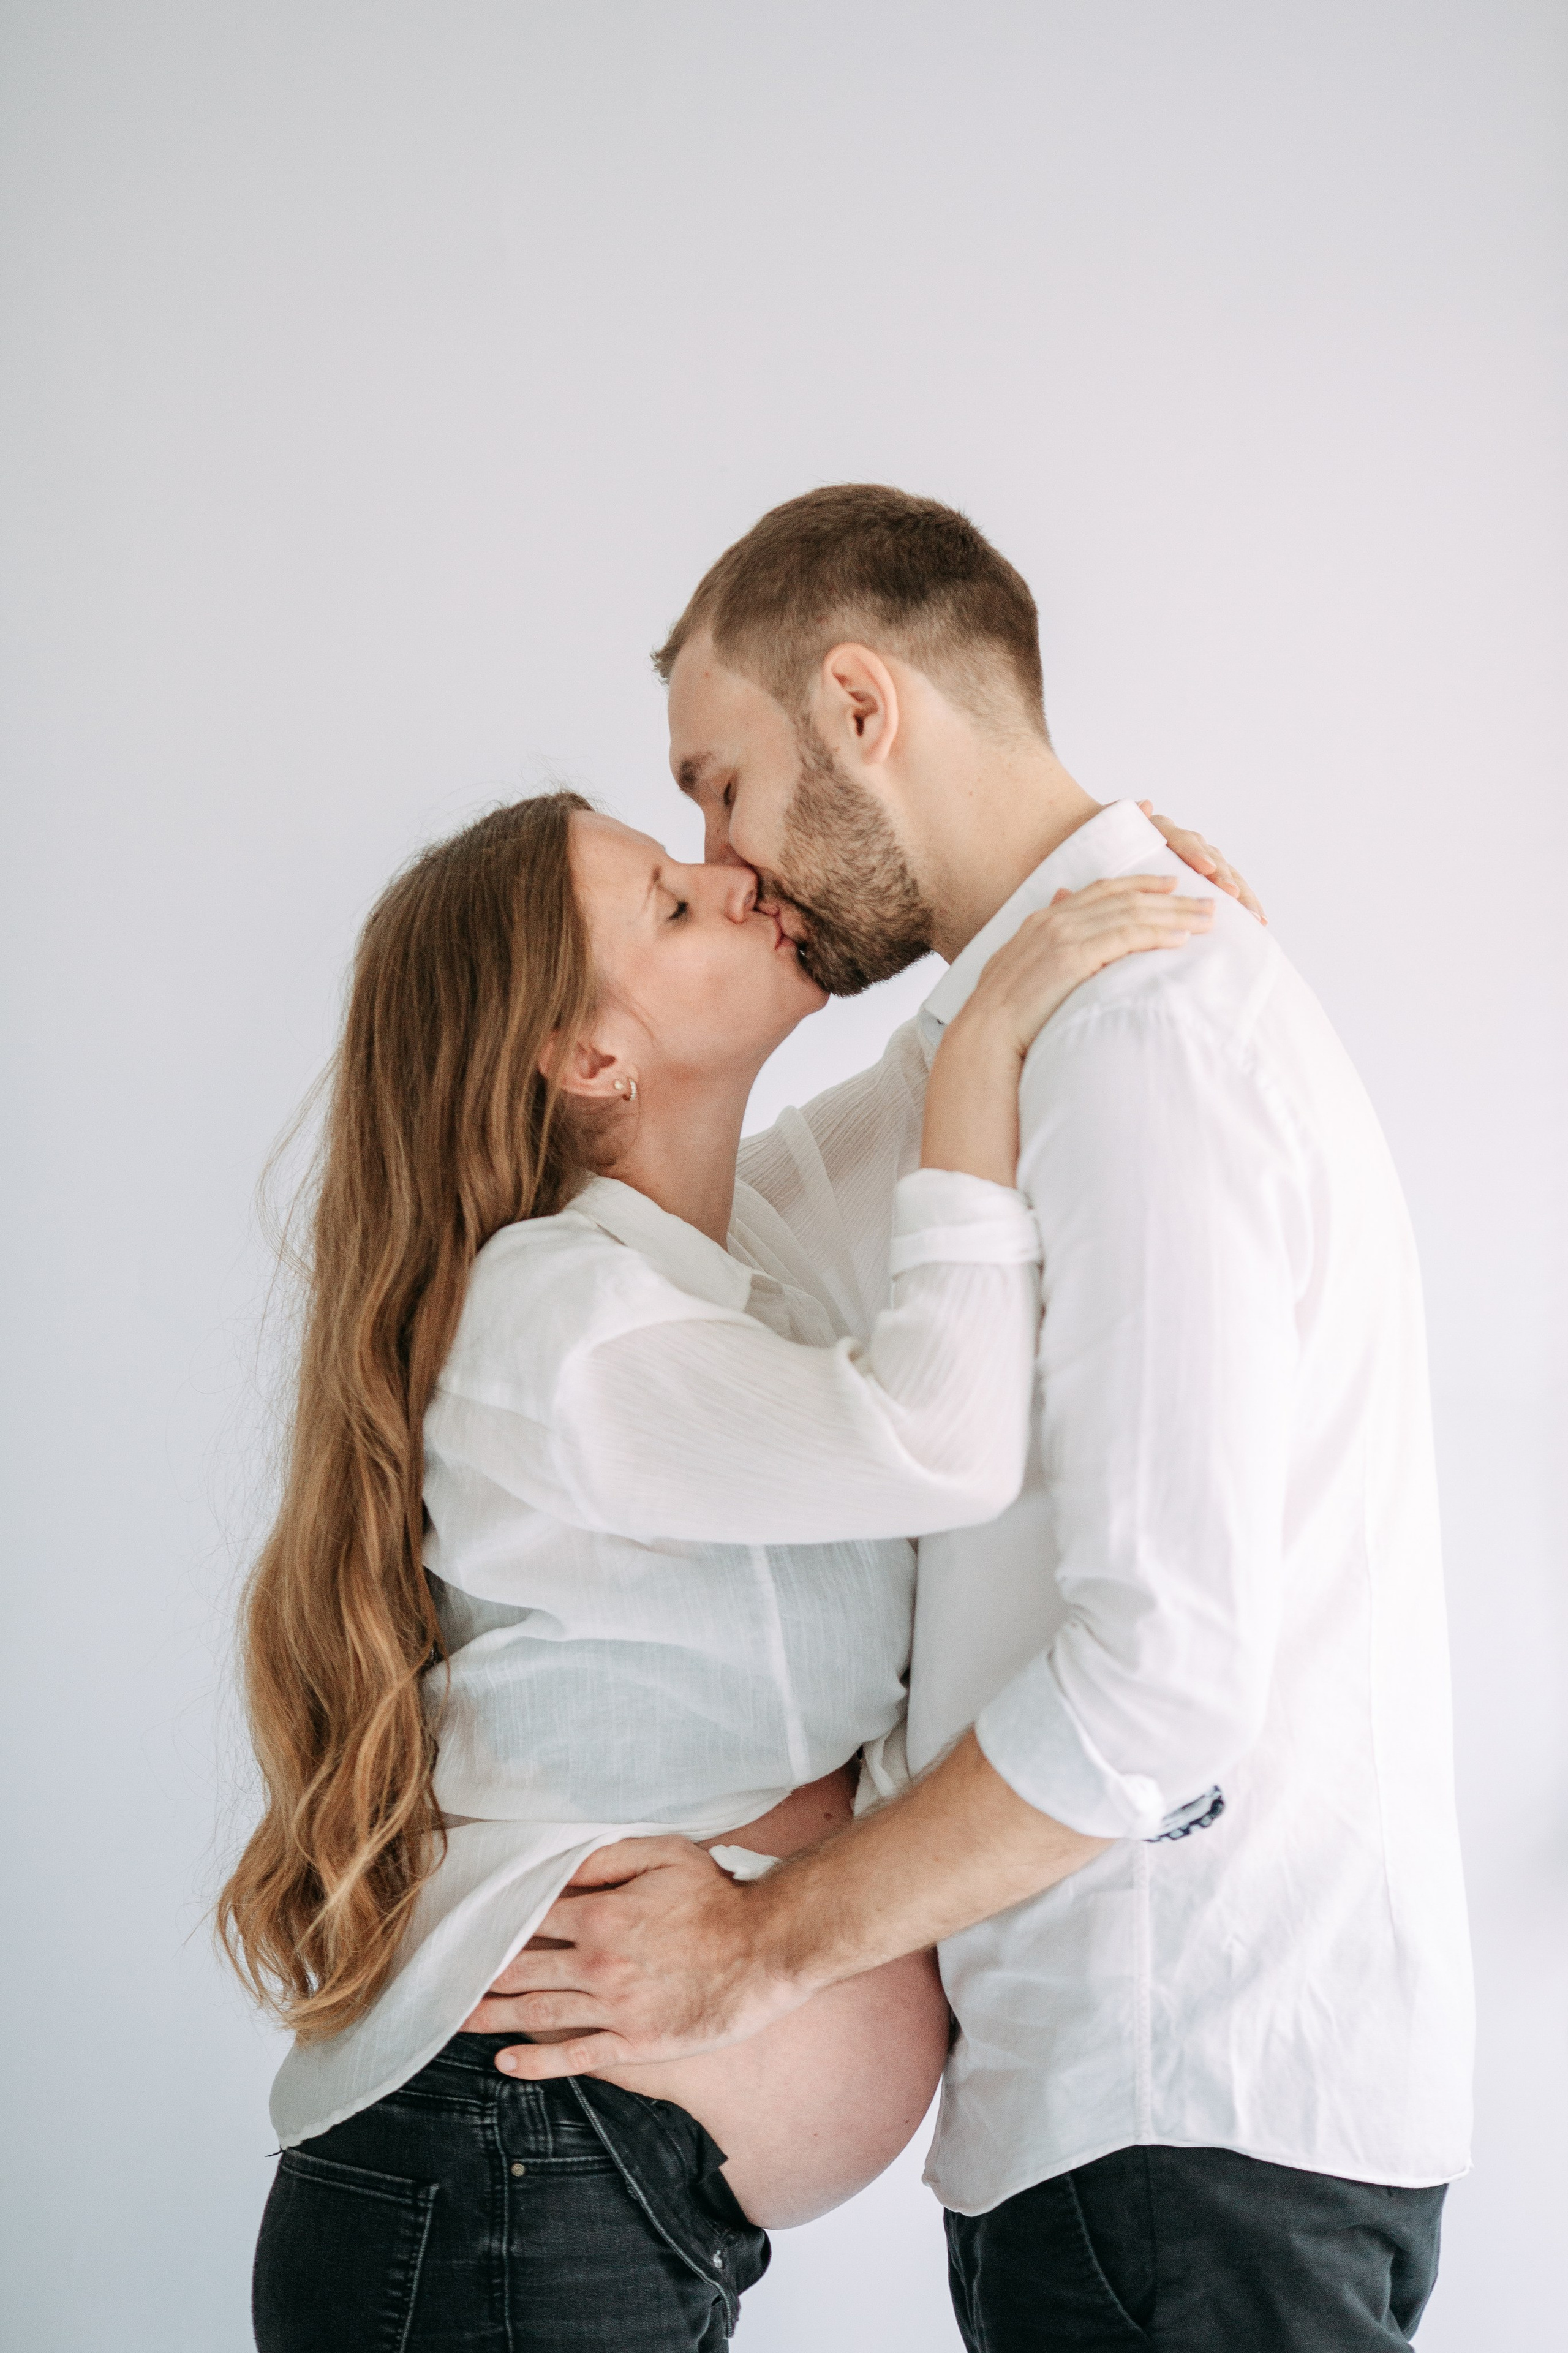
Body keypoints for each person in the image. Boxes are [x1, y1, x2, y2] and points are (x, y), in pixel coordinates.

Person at [475, 486, 1475, 2352]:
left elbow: (1163, 1679)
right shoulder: (1072, 1024)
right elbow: (778, 1221)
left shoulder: (1141, 1033)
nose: (732, 859)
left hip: (1180, 2126)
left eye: (721, 790)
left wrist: (758, 1949)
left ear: (860, 708)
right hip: (1162, 2140)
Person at [221, 785, 1217, 2351]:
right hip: (508, 2180)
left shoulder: (704, 1266)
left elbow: (918, 1097)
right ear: (592, 1058)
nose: (727, 879)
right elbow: (940, 1434)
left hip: (560, 2190)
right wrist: (988, 1031)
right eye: (672, 905)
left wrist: (1109, 887)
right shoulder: (559, 1321)